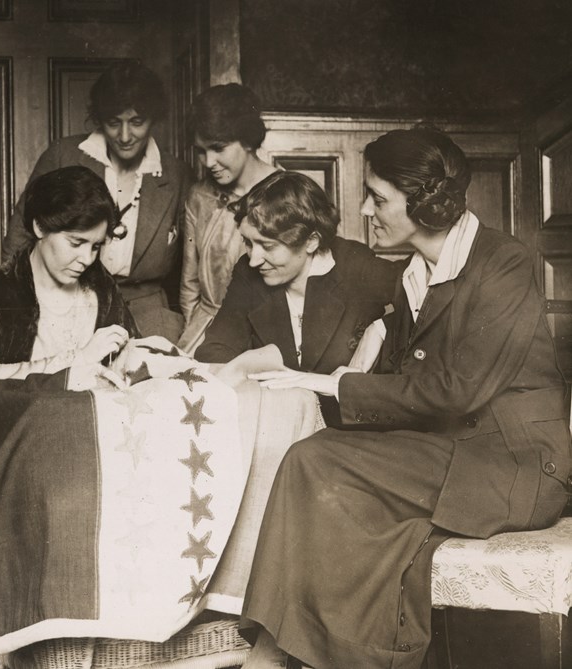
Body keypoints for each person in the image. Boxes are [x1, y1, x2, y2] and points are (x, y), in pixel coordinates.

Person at [238, 128, 572, 669]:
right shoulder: (411, 279)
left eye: (379, 197)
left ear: (425, 203)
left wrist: (333, 383)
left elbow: (456, 389)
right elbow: (399, 382)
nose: (366, 210)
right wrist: (360, 356)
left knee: (317, 461)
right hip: (451, 453)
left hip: (519, 465)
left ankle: (277, 654)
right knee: (318, 460)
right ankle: (306, 652)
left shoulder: (505, 264)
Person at [1, 59, 191, 341]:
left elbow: (186, 266)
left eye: (137, 122)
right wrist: (18, 307)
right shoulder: (63, 156)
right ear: (100, 119)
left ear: (154, 119)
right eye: (114, 123)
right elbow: (20, 235)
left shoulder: (175, 174)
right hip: (69, 300)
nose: (125, 136)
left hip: (148, 311)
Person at [195, 170, 397, 426]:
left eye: (267, 246)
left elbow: (426, 302)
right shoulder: (248, 272)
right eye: (248, 242)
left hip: (350, 431)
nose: (254, 259)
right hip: (276, 424)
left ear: (311, 242)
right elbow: (216, 350)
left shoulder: (355, 266)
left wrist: (380, 329)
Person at [0, 166, 137, 382]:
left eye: (96, 247)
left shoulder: (100, 284)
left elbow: (132, 352)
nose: (87, 259)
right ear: (40, 227)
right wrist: (79, 359)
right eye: (76, 243)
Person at [178, 84, 278, 354]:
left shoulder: (286, 193)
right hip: (204, 333)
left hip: (267, 337)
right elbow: (190, 284)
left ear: (246, 140)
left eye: (218, 148)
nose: (208, 161)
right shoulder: (199, 196)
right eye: (200, 150)